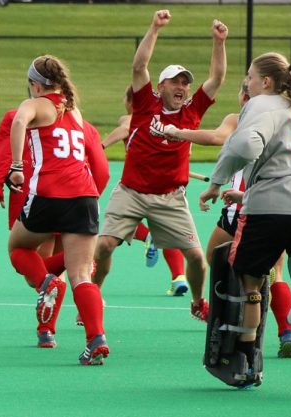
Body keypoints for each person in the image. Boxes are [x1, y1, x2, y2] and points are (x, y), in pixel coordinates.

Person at [200, 52, 291, 386]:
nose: (246, 82)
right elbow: (290, 170)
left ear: (266, 81)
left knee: (249, 280)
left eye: (249, 76)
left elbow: (245, 146)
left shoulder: (262, 103)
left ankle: (246, 363)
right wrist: (246, 195)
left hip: (272, 211)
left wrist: (217, 183)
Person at [93, 10, 227, 322]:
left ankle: (197, 302)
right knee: (104, 246)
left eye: (186, 83)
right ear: (161, 85)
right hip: (131, 192)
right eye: (176, 82)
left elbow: (217, 78)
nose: (183, 87)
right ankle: (93, 296)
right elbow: (139, 65)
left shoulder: (191, 112)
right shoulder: (145, 104)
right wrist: (154, 28)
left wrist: (219, 42)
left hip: (170, 197)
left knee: (196, 257)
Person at [166, 87, 291, 359]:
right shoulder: (287, 119)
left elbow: (216, 137)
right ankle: (287, 331)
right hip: (279, 205)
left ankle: (227, 321)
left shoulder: (240, 119)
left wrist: (177, 132)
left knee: (218, 262)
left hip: (242, 207)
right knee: (276, 273)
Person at [6, 55, 108, 365]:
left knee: (17, 248)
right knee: (81, 274)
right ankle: (96, 339)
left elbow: (18, 121)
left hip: (49, 194)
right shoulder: (74, 111)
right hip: (85, 196)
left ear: (35, 85)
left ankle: (45, 281)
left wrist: (16, 166)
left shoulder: (36, 105)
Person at [0, 108, 107, 348]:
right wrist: (91, 198)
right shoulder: (84, 124)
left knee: (36, 271)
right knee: (73, 269)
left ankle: (46, 328)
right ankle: (66, 332)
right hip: (80, 197)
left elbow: (1, 148)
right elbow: (102, 169)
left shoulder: (20, 114)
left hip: (38, 195)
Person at [101, 86, 189, 297]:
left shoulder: (132, 117)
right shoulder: (162, 119)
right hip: (166, 185)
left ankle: (148, 236)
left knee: (117, 222)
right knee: (167, 232)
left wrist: (100, 146)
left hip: (137, 185)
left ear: (131, 101)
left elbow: (125, 128)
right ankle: (179, 277)